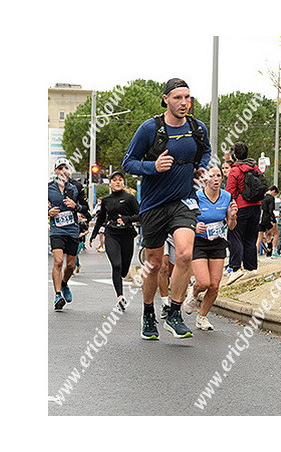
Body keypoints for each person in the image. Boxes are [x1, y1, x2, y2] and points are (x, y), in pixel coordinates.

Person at [122, 77, 211, 340]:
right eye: (177, 98)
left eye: (187, 97)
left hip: (184, 201)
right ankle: (148, 313)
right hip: (154, 204)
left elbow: (206, 151)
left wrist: (201, 167)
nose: (184, 103)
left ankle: (173, 312)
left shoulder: (197, 127)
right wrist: (153, 166)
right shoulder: (150, 128)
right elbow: (128, 163)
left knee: (184, 254)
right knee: (153, 262)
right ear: (166, 99)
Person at [183, 166, 238, 330]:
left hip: (218, 243)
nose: (216, 179)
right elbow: (185, 219)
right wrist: (194, 227)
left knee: (214, 285)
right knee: (204, 282)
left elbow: (231, 226)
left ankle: (202, 317)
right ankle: (194, 291)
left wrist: (232, 217)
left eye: (219, 176)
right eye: (212, 176)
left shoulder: (227, 197)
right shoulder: (197, 196)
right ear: (206, 179)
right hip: (199, 242)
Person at [89, 172, 140, 312]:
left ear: (123, 183)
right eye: (114, 180)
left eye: (120, 180)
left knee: (124, 270)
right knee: (116, 265)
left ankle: (122, 276)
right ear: (110, 183)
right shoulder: (106, 200)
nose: (117, 182)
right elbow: (101, 218)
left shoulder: (130, 198)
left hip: (127, 235)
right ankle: (120, 297)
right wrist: (94, 234)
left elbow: (140, 215)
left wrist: (127, 219)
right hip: (111, 234)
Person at [225, 142, 263, 284]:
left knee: (235, 235)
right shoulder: (255, 167)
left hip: (241, 206)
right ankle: (251, 268)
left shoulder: (235, 170)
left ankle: (235, 268)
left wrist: (227, 209)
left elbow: (230, 192)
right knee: (251, 238)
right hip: (256, 206)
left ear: (234, 155)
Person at [48, 157, 83, 311]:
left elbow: (85, 208)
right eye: (60, 168)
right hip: (57, 230)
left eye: (66, 168)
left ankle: (64, 283)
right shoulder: (48, 188)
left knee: (70, 265)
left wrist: (76, 206)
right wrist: (48, 211)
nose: (63, 171)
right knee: (58, 262)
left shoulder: (76, 188)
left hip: (72, 230)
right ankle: (57, 295)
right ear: (56, 171)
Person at [256, 185, 280, 258]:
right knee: (276, 233)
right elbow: (270, 210)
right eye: (275, 194)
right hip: (267, 218)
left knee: (260, 238)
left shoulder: (262, 197)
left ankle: (255, 256)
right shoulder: (271, 198)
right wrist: (274, 221)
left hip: (260, 218)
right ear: (273, 191)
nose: (274, 195)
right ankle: (274, 252)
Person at [158, 234, 176, 319]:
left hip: (175, 233)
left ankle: (175, 304)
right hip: (161, 232)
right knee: (163, 268)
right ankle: (165, 304)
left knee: (173, 271)